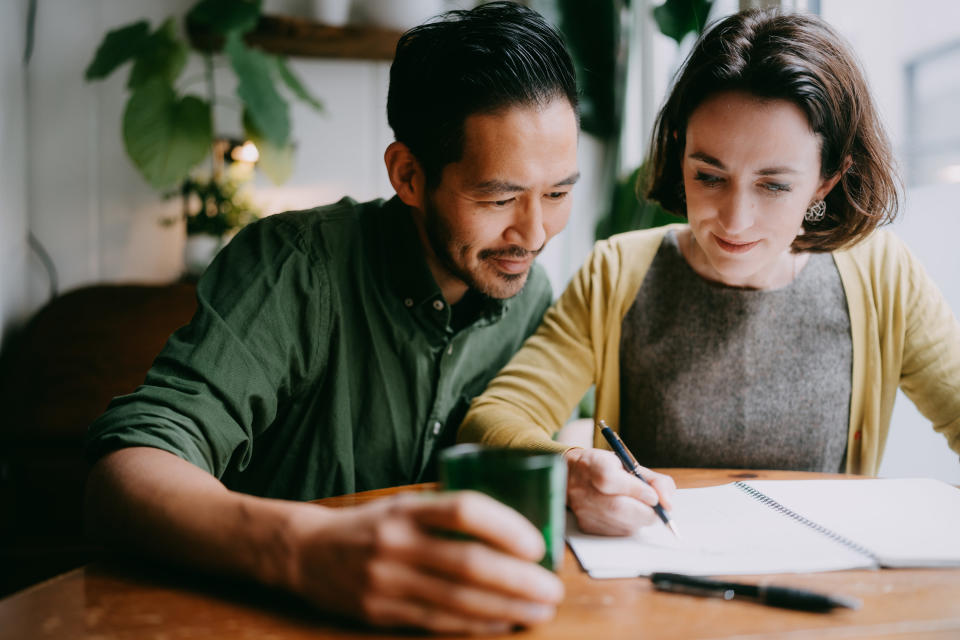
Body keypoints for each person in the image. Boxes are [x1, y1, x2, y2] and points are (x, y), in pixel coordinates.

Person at [83, 2, 580, 634]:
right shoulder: (294, 269)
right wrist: (306, 550)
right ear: (408, 175)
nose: (534, 234)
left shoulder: (529, 297)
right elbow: (124, 474)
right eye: (499, 196)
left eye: (559, 194)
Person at [459, 8, 960, 537]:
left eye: (773, 185)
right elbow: (492, 421)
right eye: (709, 175)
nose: (735, 220)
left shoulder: (883, 276)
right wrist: (573, 467)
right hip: (660, 585)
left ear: (826, 181)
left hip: (829, 597)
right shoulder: (618, 273)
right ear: (679, 153)